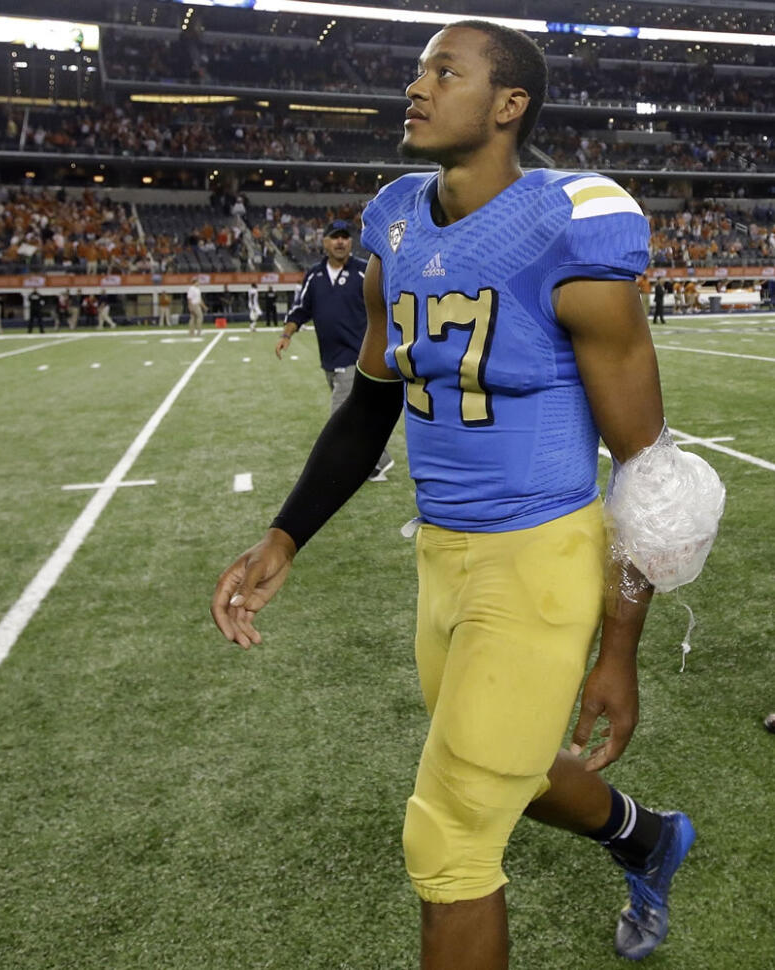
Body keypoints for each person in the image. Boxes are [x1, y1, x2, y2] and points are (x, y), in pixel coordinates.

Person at [211, 21, 724, 970]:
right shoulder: (395, 218)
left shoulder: (569, 223)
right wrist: (285, 535)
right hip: (441, 555)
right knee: (518, 775)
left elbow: (653, 477)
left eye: (445, 71)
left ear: (508, 104)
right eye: (417, 69)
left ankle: (642, 838)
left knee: (448, 839)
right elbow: (372, 398)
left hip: (541, 564)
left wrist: (619, 652)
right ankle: (649, 837)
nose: (416, 86)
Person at [276, 218, 392, 479]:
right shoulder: (314, 275)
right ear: (325, 242)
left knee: (341, 417)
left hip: (357, 357)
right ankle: (378, 461)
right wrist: (287, 334)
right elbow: (300, 309)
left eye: (345, 236)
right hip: (329, 359)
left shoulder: (366, 271)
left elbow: (390, 303)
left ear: (351, 242)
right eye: (335, 237)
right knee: (358, 415)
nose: (340, 241)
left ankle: (340, 473)